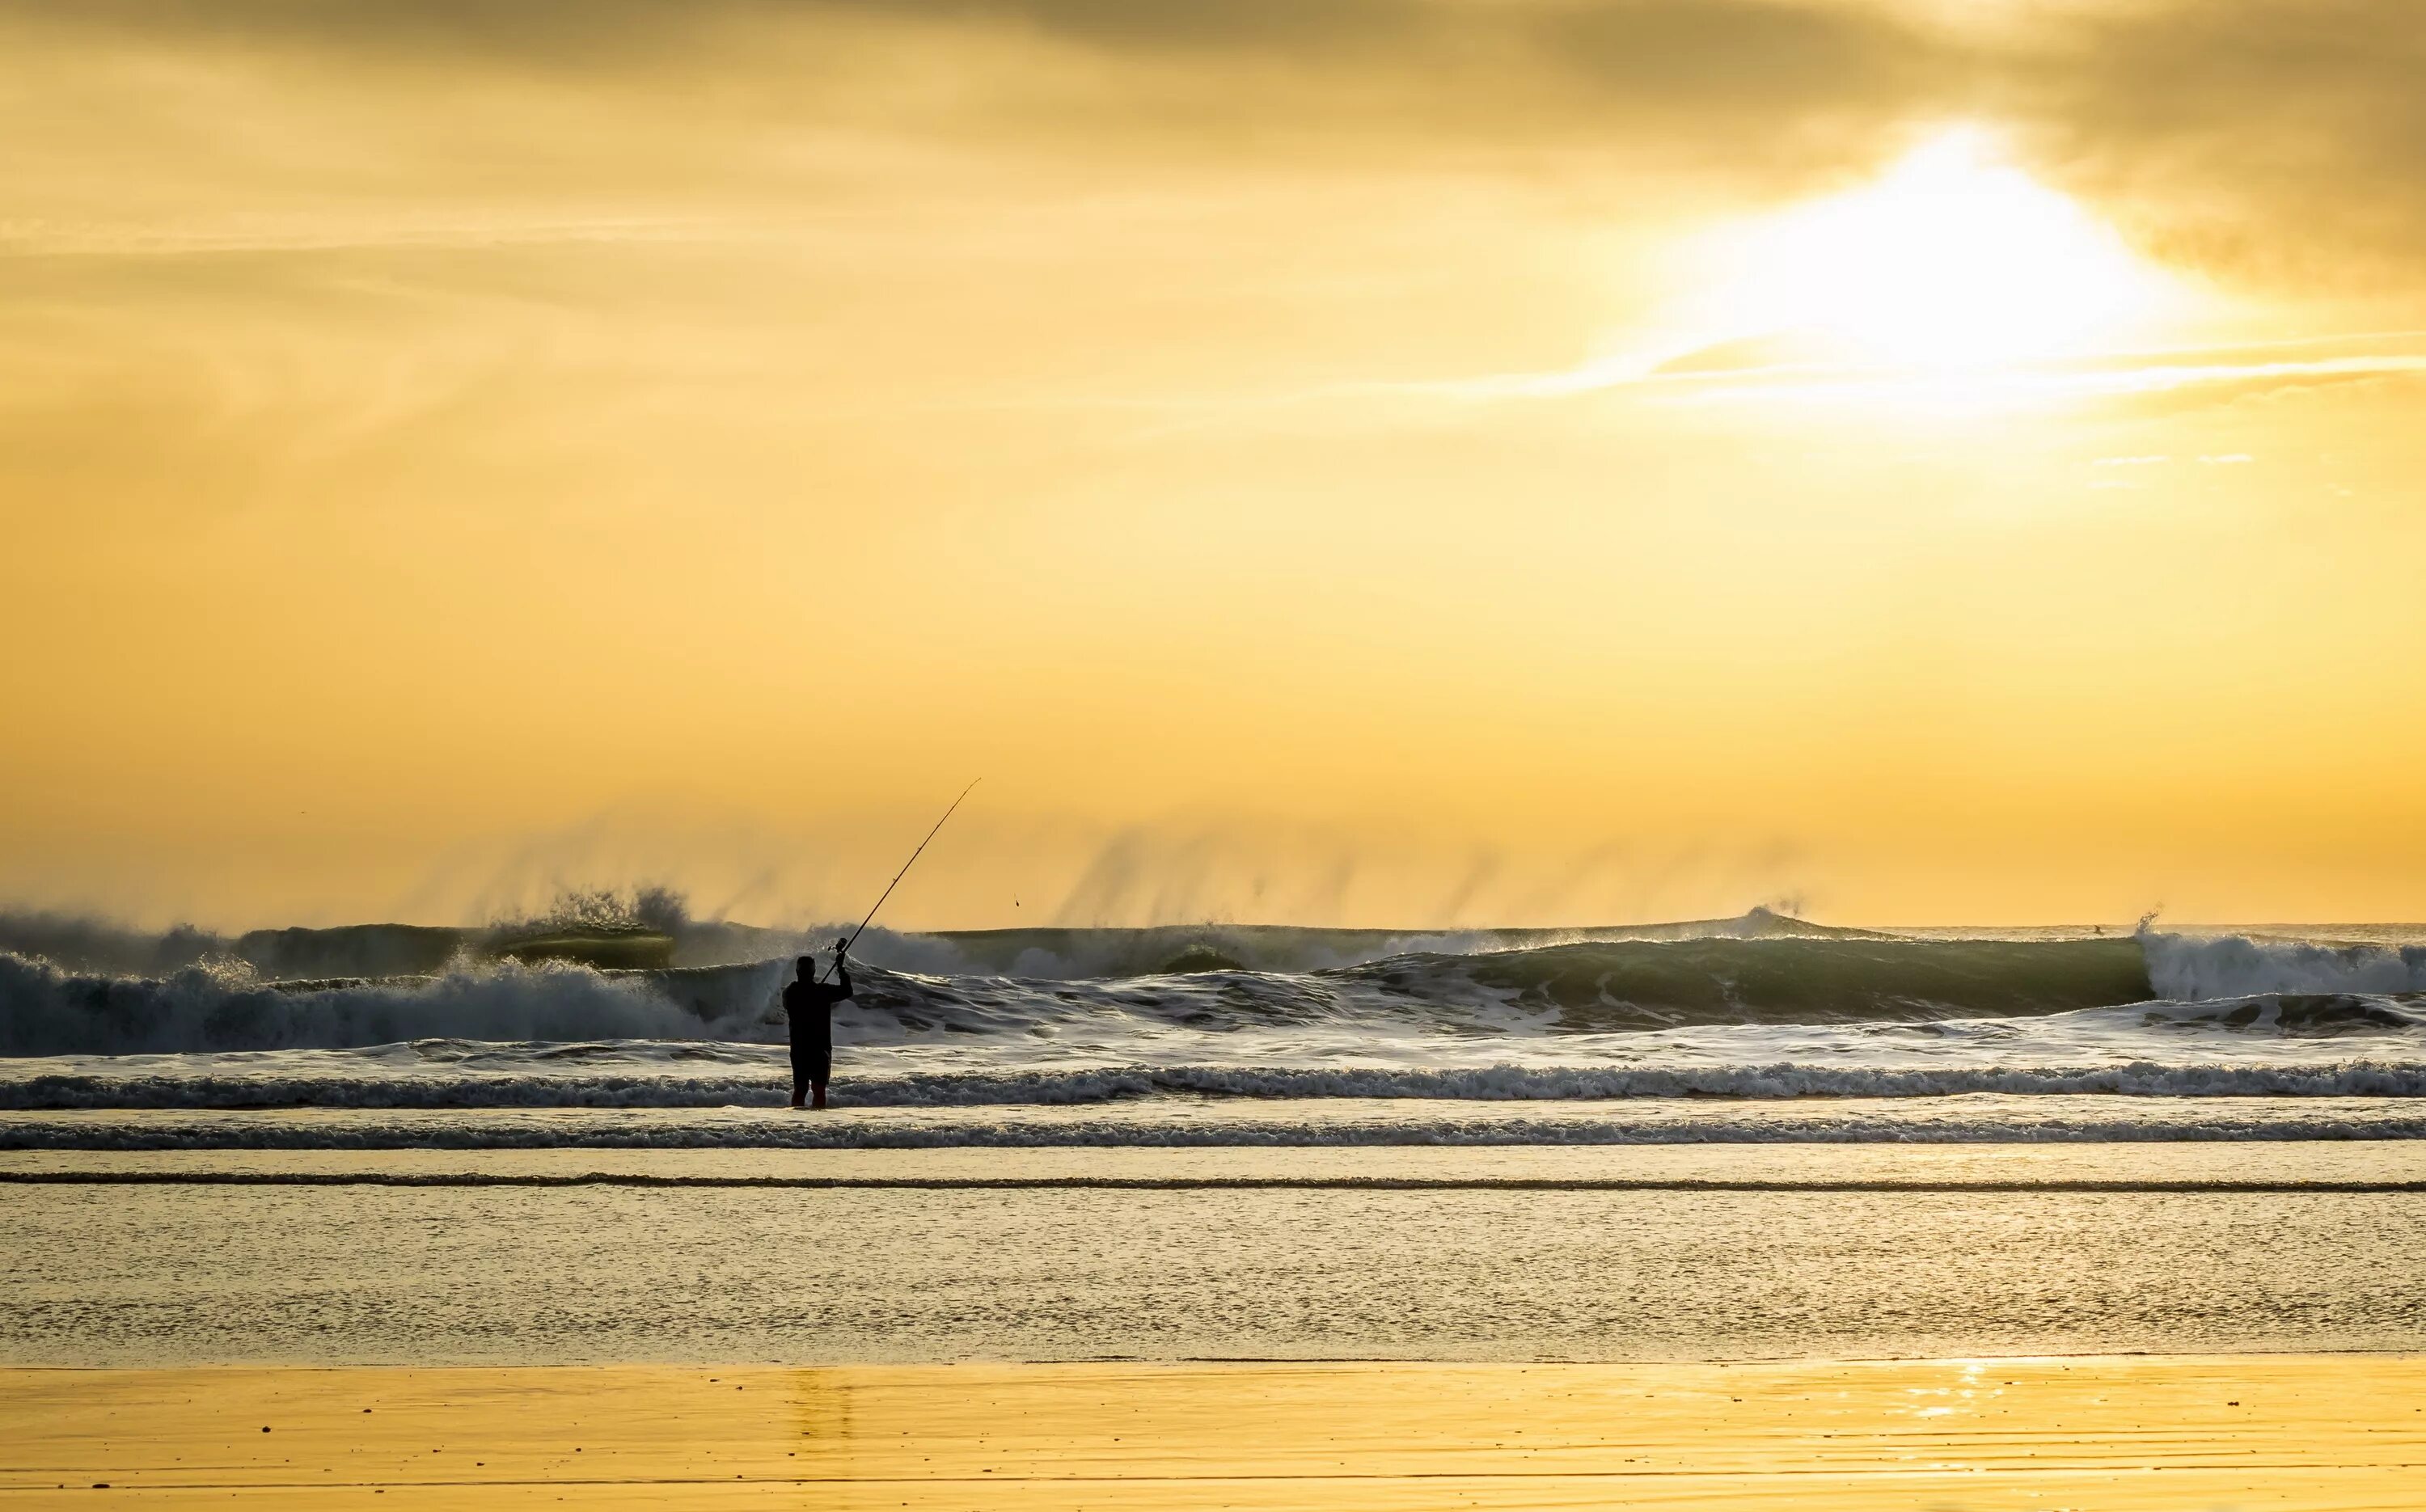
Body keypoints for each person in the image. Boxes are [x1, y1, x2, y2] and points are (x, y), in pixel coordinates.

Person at [782, 940, 853, 1110]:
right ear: (813, 971)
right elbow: (847, 990)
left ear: (797, 972)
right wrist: (841, 968)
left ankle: (796, 1124)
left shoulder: (790, 992)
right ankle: (816, 1122)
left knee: (800, 1090)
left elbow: (790, 1002)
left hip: (799, 1048)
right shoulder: (822, 992)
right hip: (820, 1049)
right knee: (819, 1090)